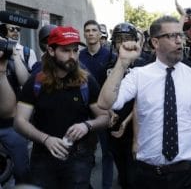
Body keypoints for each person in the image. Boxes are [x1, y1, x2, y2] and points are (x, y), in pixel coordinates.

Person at [97, 15, 191, 189]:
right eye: (171, 36)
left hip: (189, 175)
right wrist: (122, 63)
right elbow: (105, 103)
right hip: (148, 176)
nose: (179, 41)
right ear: (155, 42)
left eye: (180, 35)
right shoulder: (138, 75)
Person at [14, 26, 109, 189]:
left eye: (75, 50)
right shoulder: (36, 81)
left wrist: (87, 125)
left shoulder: (86, 81)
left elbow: (105, 117)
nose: (72, 56)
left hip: (79, 158)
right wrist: (46, 139)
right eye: (65, 51)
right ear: (51, 50)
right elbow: (19, 122)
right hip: (43, 158)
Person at [79, 19, 115, 189]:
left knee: (107, 153)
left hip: (105, 110)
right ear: (84, 34)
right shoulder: (79, 56)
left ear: (100, 34)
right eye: (88, 30)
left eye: (94, 30)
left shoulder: (110, 57)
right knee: (85, 153)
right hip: (84, 111)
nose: (91, 33)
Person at [106, 22, 139, 189]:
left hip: (136, 130)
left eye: (127, 39)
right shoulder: (108, 64)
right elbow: (104, 95)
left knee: (135, 177)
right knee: (123, 176)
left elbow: (144, 101)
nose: (123, 43)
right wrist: (110, 112)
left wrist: (126, 122)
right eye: (119, 39)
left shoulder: (143, 64)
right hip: (114, 128)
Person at [0, 27, 31, 184]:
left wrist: (13, 55)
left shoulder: (9, 58)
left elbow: (25, 82)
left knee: (21, 171)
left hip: (10, 126)